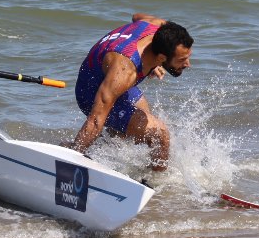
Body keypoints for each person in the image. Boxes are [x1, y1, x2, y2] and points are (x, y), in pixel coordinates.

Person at [71, 13, 193, 172]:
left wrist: (153, 62)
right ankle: (156, 185)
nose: (187, 64)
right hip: (90, 91)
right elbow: (94, 119)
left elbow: (137, 16)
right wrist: (71, 161)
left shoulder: (157, 27)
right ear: (162, 57)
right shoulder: (125, 71)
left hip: (111, 77)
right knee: (160, 135)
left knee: (142, 123)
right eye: (182, 60)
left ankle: (101, 150)